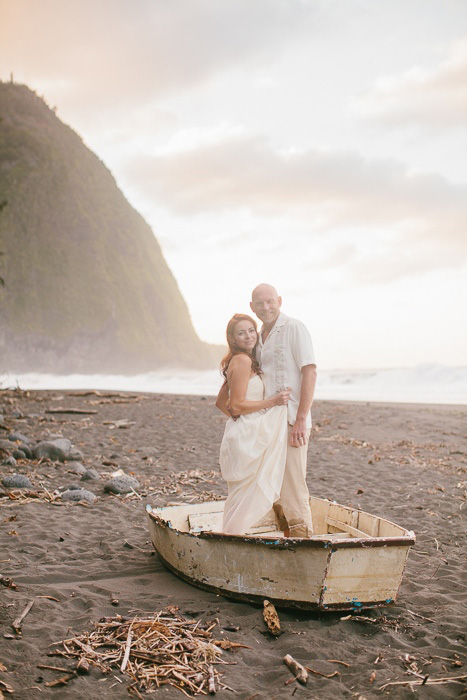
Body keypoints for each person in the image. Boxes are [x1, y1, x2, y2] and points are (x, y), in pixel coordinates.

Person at [250, 283, 317, 537]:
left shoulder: (294, 328)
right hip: (268, 422)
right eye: (259, 303)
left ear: (279, 300)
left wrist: (301, 419)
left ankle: (304, 543)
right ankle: (287, 538)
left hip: (292, 421)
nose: (265, 307)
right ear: (252, 307)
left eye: (270, 301)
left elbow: (309, 371)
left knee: (293, 487)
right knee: (273, 486)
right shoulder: (258, 337)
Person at [216, 314, 290, 535]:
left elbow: (221, 402)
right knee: (245, 496)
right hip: (246, 436)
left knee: (241, 495)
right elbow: (235, 405)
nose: (248, 336)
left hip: (244, 432)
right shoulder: (242, 360)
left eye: (251, 330)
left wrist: (241, 421)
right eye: (241, 332)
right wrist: (273, 402)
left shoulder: (241, 360)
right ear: (233, 338)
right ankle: (231, 538)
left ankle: (229, 536)